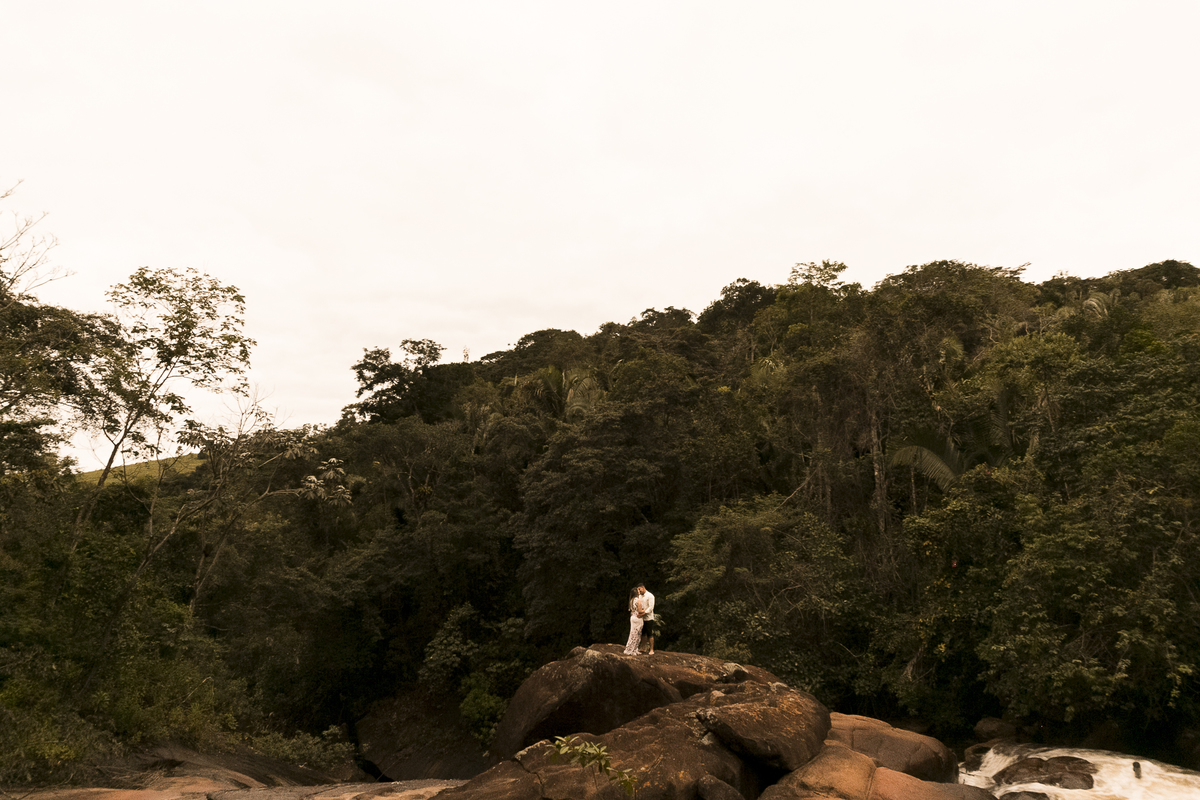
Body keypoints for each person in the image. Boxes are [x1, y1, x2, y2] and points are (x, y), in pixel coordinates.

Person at [623, 587, 644, 656]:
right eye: (638, 590)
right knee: (637, 634)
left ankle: (630, 648)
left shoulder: (632, 600)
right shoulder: (638, 600)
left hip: (633, 617)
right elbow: (640, 611)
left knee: (632, 633)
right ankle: (633, 649)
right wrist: (645, 610)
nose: (639, 591)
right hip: (638, 618)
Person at [637, 583, 655, 655]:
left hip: (649, 618)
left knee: (649, 634)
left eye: (639, 589)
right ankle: (643, 648)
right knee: (642, 633)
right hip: (642, 618)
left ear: (643, 587)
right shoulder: (639, 596)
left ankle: (651, 649)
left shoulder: (650, 596)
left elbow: (651, 607)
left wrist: (643, 613)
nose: (639, 591)